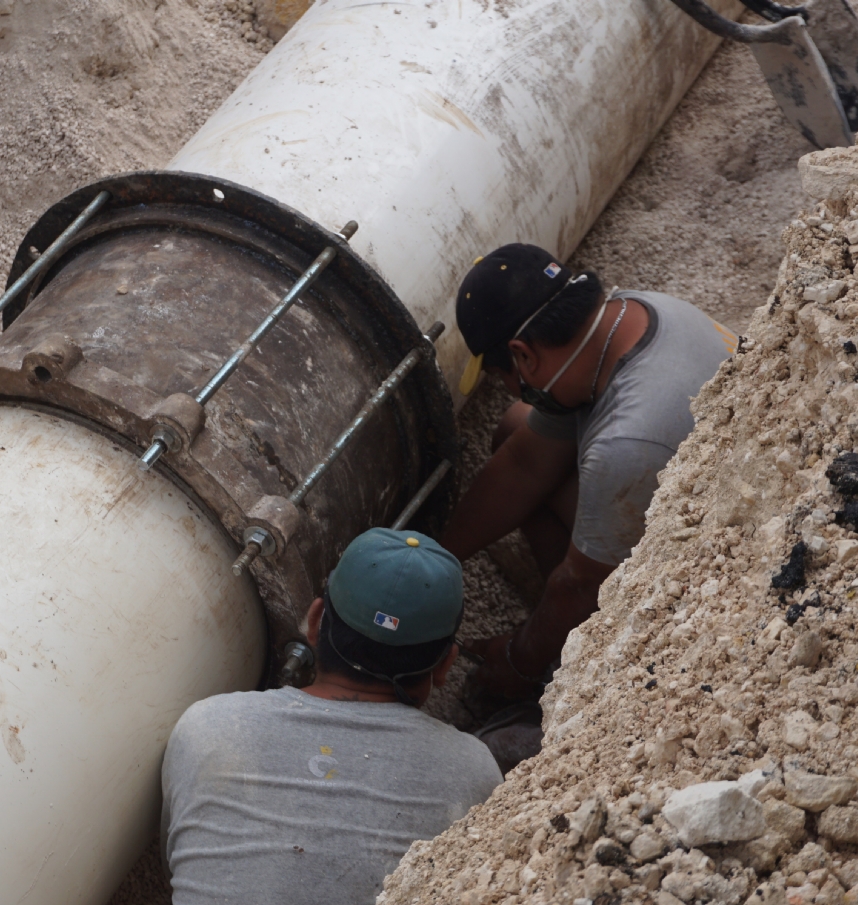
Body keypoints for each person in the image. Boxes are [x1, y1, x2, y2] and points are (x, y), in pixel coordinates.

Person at [442, 243, 736, 702]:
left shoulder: (625, 443)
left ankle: (572, 666)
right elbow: (523, 463)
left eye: (501, 373)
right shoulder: (630, 313)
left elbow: (580, 582)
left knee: (576, 588)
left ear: (523, 355)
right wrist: (437, 556)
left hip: (716, 572)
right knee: (518, 427)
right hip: (707, 476)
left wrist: (519, 660)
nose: (507, 386)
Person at [159, 528, 502, 905]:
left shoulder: (208, 726)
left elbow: (177, 858)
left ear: (315, 619)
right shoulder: (475, 772)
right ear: (445, 665)